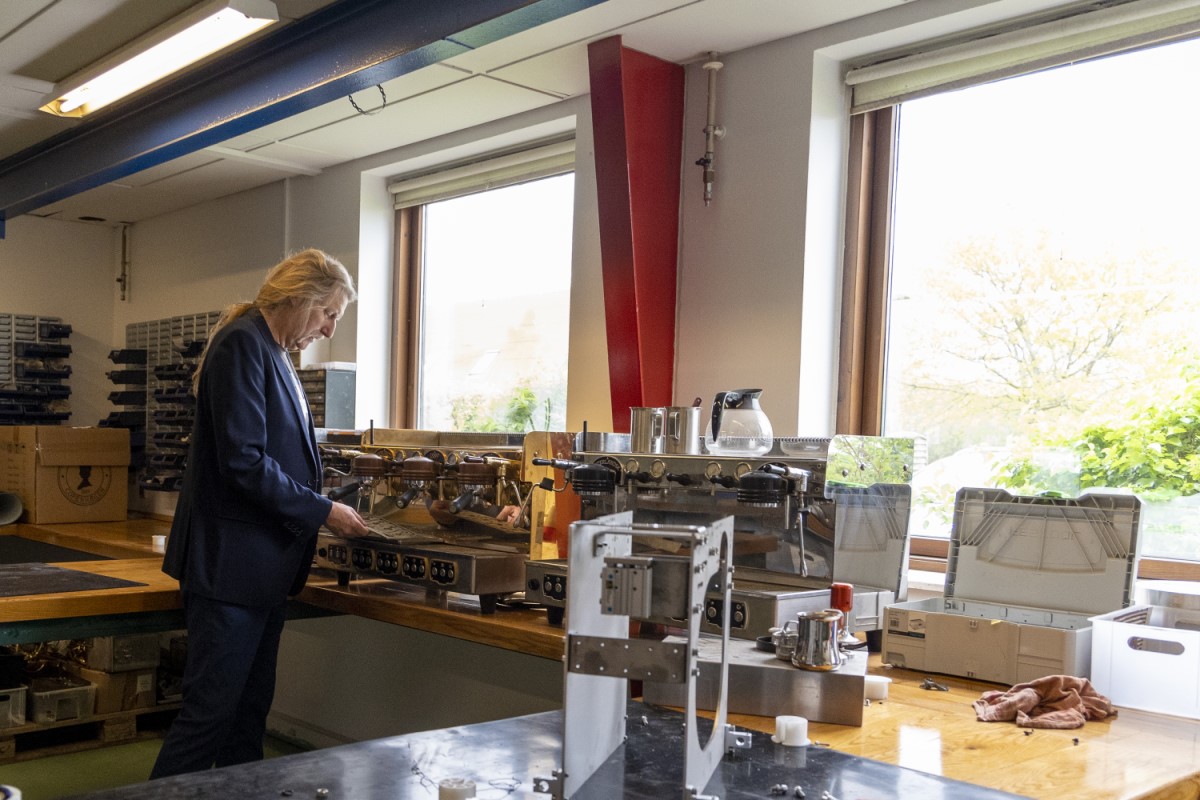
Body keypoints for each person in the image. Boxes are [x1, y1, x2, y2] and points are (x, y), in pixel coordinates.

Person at [150, 248, 370, 779]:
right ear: (301, 298)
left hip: (261, 572)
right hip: (230, 572)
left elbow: (276, 453)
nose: (329, 329)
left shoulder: (276, 353)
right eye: (329, 314)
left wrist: (328, 495)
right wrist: (324, 510)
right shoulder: (242, 344)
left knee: (247, 717)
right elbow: (243, 463)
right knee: (209, 717)